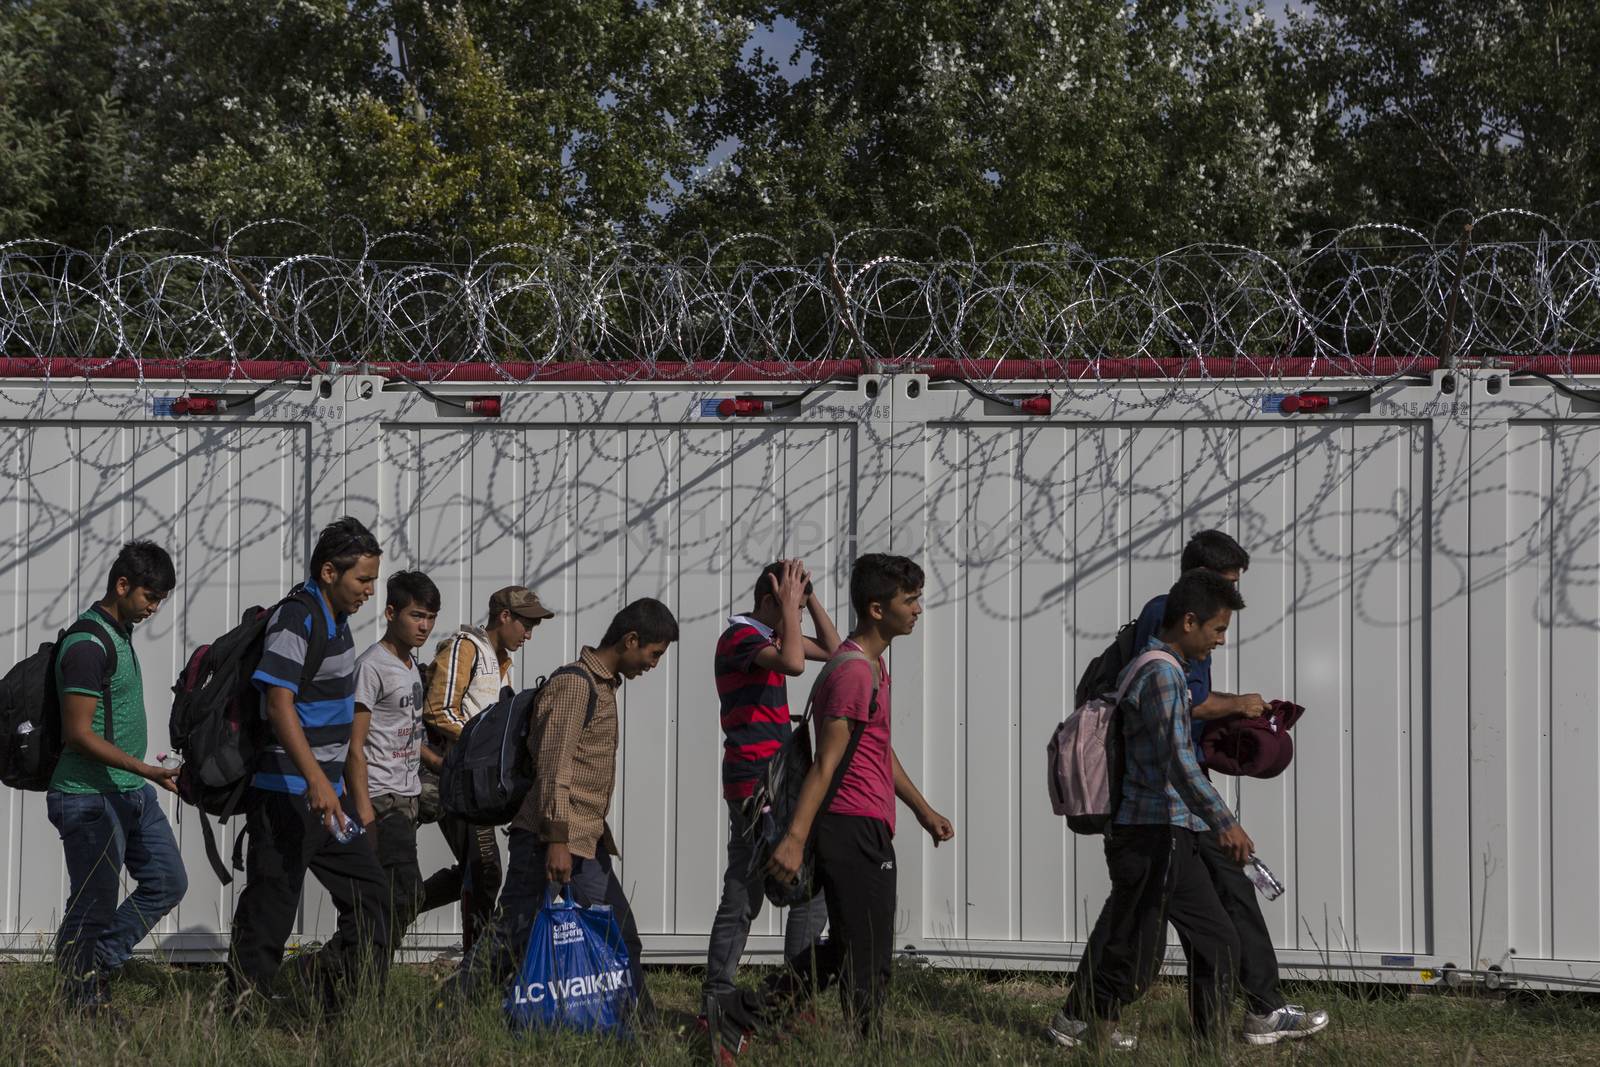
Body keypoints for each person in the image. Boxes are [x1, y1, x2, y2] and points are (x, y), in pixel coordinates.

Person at [443, 597, 679, 1026]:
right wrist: (556, 842)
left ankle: (640, 1022)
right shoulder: (576, 684)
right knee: (509, 936)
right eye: (654, 653)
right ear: (631, 640)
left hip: (583, 838)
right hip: (550, 838)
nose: (653, 664)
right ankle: (444, 1014)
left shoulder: (601, 685)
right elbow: (554, 768)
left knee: (620, 935)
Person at [1131, 531, 1328, 1045]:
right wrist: (1237, 705)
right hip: (1171, 793)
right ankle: (1089, 1016)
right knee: (1149, 921)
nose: (1224, 629)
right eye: (1225, 588)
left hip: (1187, 786)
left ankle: (1252, 1012)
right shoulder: (1166, 620)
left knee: (1209, 907)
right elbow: (1179, 704)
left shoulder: (1190, 623)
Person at [1049, 568, 1254, 1050]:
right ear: (1188, 621)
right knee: (1135, 954)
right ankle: (1088, 1028)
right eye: (1218, 629)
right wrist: (1226, 823)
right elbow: (1179, 762)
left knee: (1218, 940)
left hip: (1172, 832)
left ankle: (1210, 1047)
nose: (1221, 641)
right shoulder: (1162, 673)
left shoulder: (1164, 670)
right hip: (1151, 834)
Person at [765, 553, 954, 1039]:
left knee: (847, 946)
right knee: (868, 950)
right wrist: (794, 839)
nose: (917, 610)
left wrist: (923, 810)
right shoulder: (854, 672)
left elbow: (877, 751)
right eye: (908, 601)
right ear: (876, 609)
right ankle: (865, 1040)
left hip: (864, 823)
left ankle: (753, 1010)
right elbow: (827, 763)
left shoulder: (870, 667)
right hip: (850, 827)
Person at [227, 516, 390, 1012]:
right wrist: (317, 780)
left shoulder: (336, 620)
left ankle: (338, 996)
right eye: (363, 580)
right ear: (328, 572)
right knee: (271, 908)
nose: (369, 591)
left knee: (373, 899)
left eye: (373, 581)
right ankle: (244, 1010)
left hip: (327, 798)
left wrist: (348, 795)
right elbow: (278, 704)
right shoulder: (297, 618)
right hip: (287, 795)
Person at [47, 541, 185, 1014]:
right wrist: (145, 768)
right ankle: (76, 997)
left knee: (168, 880)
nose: (154, 607)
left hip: (128, 791)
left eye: (161, 599)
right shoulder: (88, 644)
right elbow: (79, 734)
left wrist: (143, 776)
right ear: (122, 585)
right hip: (86, 797)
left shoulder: (119, 631)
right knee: (92, 905)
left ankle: (98, 962)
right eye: (150, 596)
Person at [703, 560, 840, 1011]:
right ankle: (718, 994)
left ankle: (792, 993)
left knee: (806, 885)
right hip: (753, 784)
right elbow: (796, 664)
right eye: (792, 609)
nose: (798, 618)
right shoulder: (740, 637)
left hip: (779, 778)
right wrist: (787, 607)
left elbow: (837, 653)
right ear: (769, 601)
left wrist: (810, 597)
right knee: (745, 889)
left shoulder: (772, 636)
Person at [418, 585, 555, 952]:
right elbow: (437, 709)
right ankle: (476, 965)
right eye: (526, 624)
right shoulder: (466, 648)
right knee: (485, 870)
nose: (529, 634)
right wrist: (479, 751)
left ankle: (402, 906)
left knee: (477, 869)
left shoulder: (501, 663)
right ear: (504, 616)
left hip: (477, 785)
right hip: (459, 780)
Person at [345, 570, 441, 957]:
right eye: (416, 615)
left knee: (388, 897)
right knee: (405, 894)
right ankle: (338, 963)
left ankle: (366, 967)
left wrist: (439, 762)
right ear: (390, 612)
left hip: (408, 796)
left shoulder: (410, 666)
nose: (425, 626)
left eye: (431, 617)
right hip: (382, 800)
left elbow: (409, 733)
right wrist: (365, 816)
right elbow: (354, 747)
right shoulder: (372, 667)